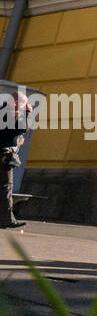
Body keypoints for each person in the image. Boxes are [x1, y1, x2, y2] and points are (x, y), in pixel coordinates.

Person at [1, 87, 31, 229]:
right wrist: (27, 113)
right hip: (3, 156)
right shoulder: (9, 113)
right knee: (6, 187)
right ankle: (7, 220)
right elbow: (22, 128)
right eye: (23, 105)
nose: (24, 107)